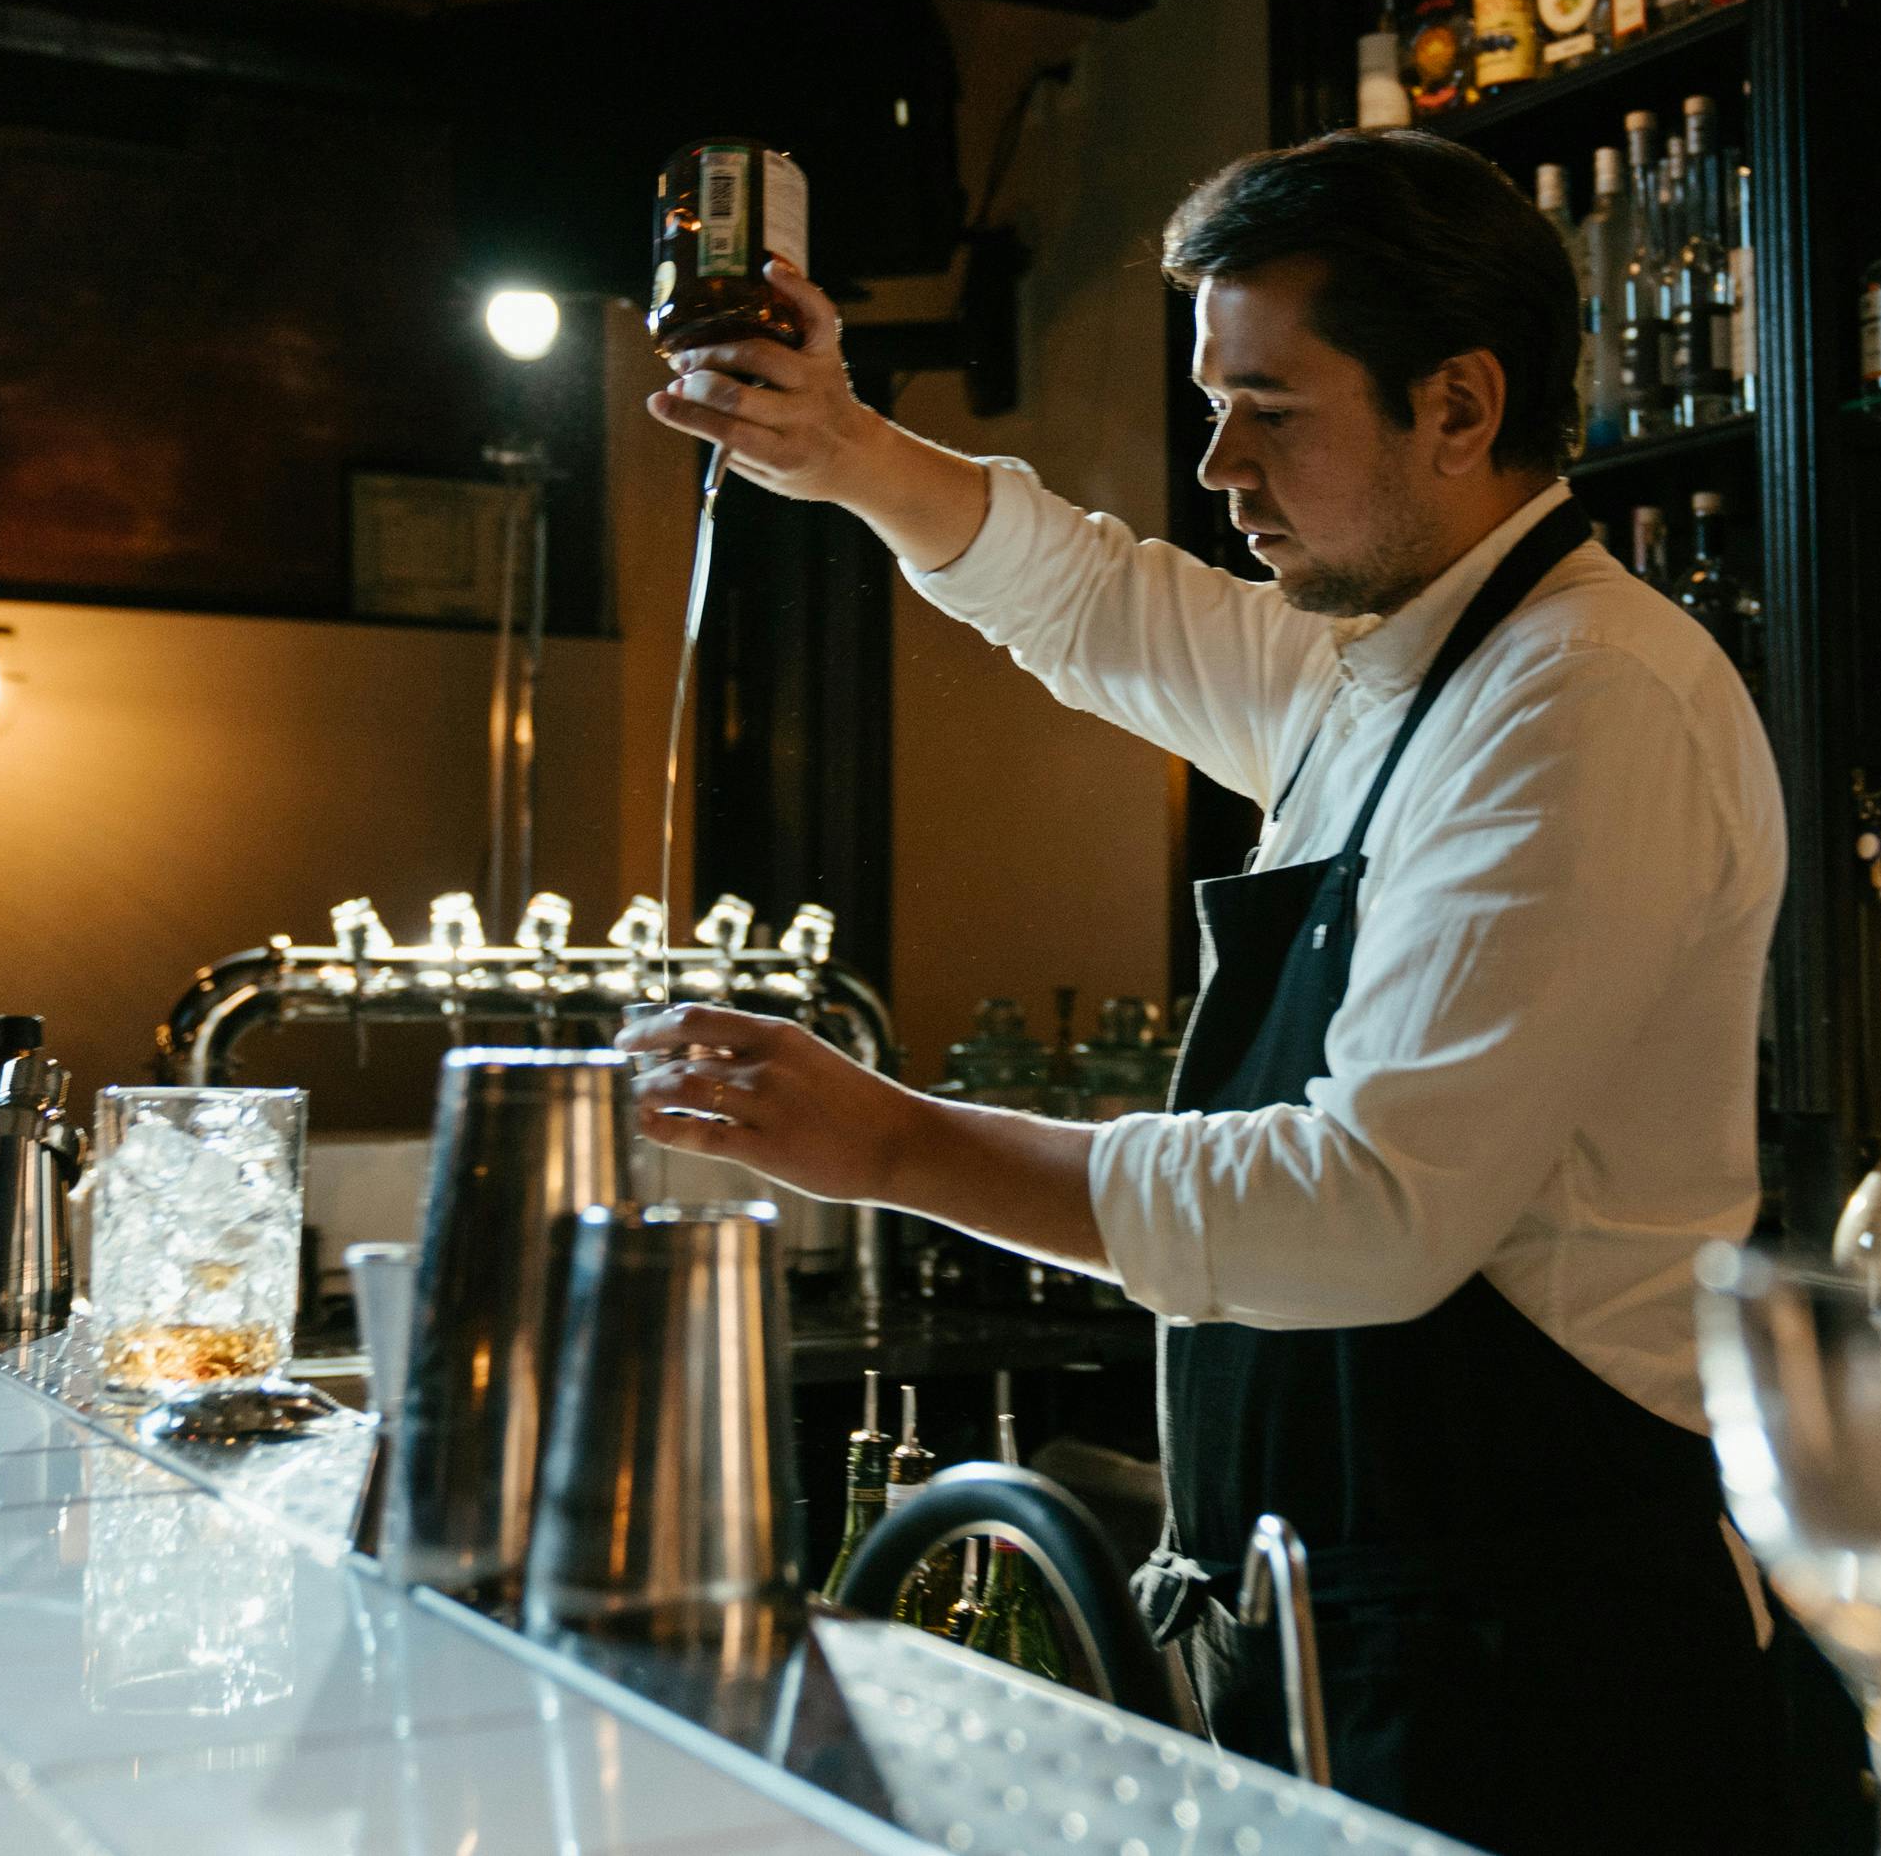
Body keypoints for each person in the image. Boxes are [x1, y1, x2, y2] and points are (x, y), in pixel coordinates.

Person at [621, 127, 1791, 1854]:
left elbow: (1372, 1206)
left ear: (1459, 405)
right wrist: (847, 447)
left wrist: (890, 1144)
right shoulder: (1382, 666)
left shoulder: (1583, 698)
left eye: (1271, 406)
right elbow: (1094, 600)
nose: (1219, 459)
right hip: (1365, 1611)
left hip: (1547, 1662)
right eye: (1210, 398)